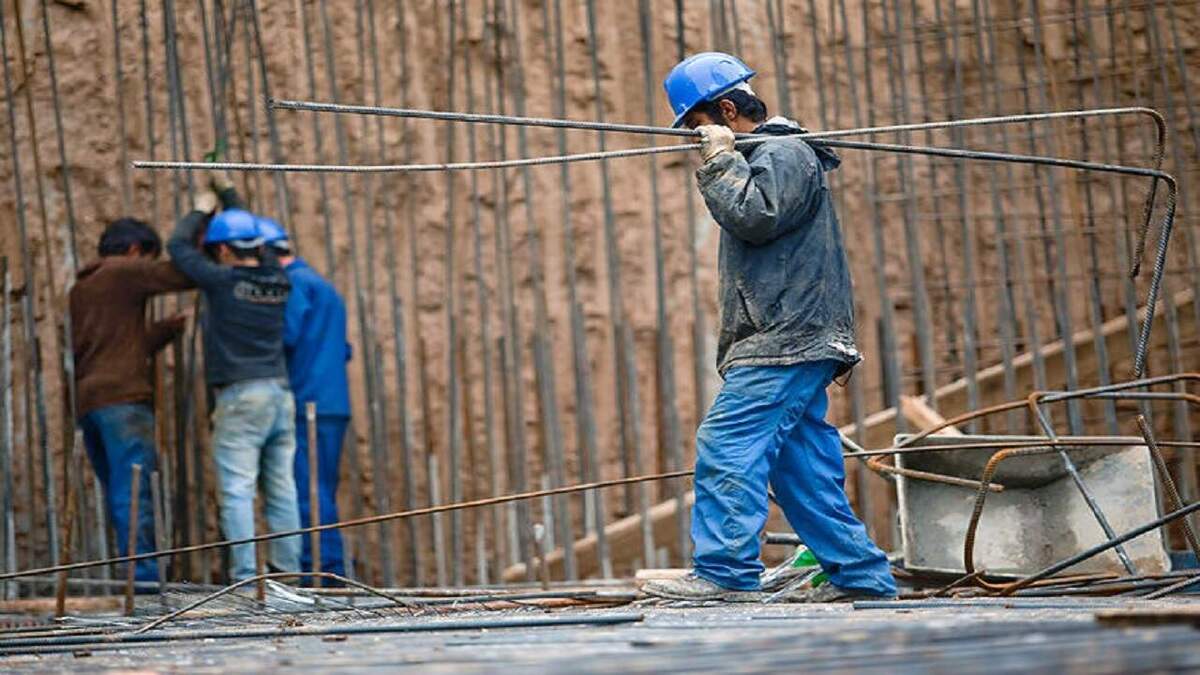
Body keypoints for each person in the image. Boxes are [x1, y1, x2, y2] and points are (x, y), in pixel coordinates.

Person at [643, 52, 897, 603]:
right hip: (790, 333)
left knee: (728, 442)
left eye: (697, 127)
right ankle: (861, 576)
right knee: (799, 463)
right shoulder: (772, 153)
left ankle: (725, 573)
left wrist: (718, 164)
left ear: (727, 110)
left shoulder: (784, 152)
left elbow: (754, 217)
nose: (695, 139)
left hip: (785, 336)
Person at [167, 172, 301, 582]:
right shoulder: (277, 280)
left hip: (241, 396)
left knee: (238, 489)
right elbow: (254, 238)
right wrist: (230, 196)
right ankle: (288, 574)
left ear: (223, 249)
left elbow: (177, 247)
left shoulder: (223, 282)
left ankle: (245, 577)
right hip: (280, 393)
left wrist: (202, 208)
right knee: (282, 489)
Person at [70, 218, 192, 583]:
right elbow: (181, 274)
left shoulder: (82, 287)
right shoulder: (122, 272)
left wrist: (167, 330)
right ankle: (144, 579)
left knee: (118, 491)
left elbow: (116, 347)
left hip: (90, 402)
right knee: (134, 490)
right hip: (123, 401)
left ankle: (136, 575)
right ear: (136, 251)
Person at [255, 216, 352, 582]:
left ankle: (324, 574)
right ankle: (327, 570)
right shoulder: (323, 286)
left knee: (308, 491)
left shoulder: (293, 284)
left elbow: (286, 336)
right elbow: (343, 349)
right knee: (320, 487)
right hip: (332, 403)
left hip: (307, 403)